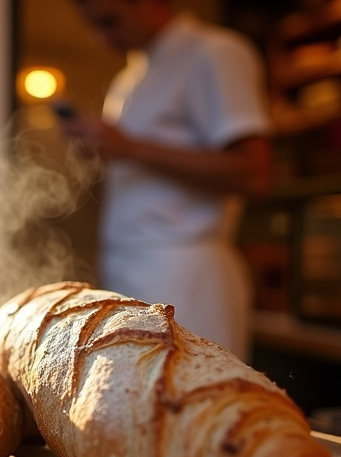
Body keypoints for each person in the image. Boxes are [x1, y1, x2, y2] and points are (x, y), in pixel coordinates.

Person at [59, 0, 273, 361]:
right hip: (128, 269)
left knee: (193, 409)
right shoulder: (130, 77)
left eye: (110, 22)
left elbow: (254, 172)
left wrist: (131, 148)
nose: (100, 39)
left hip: (184, 276)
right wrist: (105, 151)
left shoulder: (214, 53)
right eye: (93, 27)